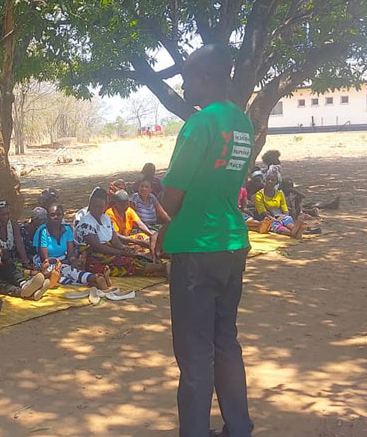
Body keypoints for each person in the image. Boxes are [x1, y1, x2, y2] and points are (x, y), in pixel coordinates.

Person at [156, 44, 254, 437]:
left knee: (195, 355)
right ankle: (238, 427)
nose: (184, 86)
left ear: (206, 77)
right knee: (226, 342)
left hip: (195, 250)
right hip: (232, 244)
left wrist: (164, 226)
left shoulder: (199, 124)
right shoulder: (243, 124)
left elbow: (172, 196)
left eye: (188, 78)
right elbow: (233, 184)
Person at [74, 188, 165, 278]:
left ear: (106, 205)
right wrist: (121, 252)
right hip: (93, 256)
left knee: (132, 257)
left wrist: (125, 248)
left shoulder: (106, 219)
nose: (97, 209)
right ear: (90, 205)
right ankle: (163, 268)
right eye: (94, 206)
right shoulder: (86, 223)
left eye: (100, 207)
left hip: (108, 251)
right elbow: (97, 247)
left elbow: (115, 240)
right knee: (126, 262)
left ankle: (160, 267)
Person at [34, 202, 109, 289]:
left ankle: (95, 280)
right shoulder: (43, 231)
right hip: (47, 263)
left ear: (63, 215)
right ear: (47, 217)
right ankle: (94, 278)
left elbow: (70, 254)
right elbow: (45, 259)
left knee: (69, 273)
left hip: (63, 261)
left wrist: (74, 261)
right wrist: (60, 264)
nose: (56, 217)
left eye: (59, 214)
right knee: (66, 272)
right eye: (52, 215)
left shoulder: (67, 229)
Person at [254, 167, 306, 238]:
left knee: (288, 221)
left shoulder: (280, 193)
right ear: (264, 181)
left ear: (276, 182)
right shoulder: (259, 194)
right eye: (268, 179)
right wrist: (275, 219)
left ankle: (294, 230)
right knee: (277, 226)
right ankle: (295, 232)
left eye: (272, 180)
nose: (270, 181)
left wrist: (283, 217)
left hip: (281, 216)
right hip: (268, 218)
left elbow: (284, 208)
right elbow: (263, 212)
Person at [106, 189, 156, 260]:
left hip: (128, 239)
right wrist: (137, 242)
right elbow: (117, 236)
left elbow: (140, 225)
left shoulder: (129, 210)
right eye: (122, 204)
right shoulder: (109, 214)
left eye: (127, 203)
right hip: (117, 243)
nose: (126, 206)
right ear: (116, 203)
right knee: (135, 248)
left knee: (147, 238)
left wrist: (152, 235)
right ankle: (141, 255)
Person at [0, 200, 30, 267]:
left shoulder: (13, 225)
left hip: (13, 257)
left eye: (8, 214)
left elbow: (19, 245)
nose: (6, 217)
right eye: (3, 215)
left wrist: (25, 261)